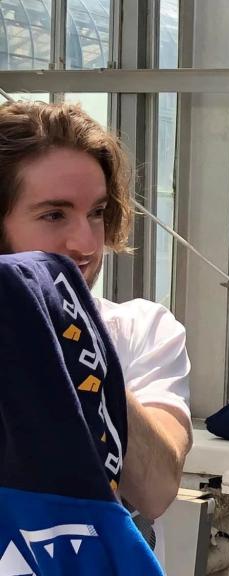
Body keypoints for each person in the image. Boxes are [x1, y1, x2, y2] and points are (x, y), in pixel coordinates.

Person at [0, 100, 192, 558]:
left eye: (98, 212)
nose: (87, 243)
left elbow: (157, 488)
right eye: (54, 215)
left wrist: (70, 335)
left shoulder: (141, 330)